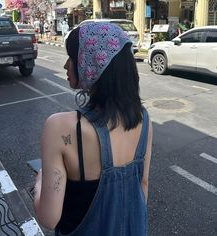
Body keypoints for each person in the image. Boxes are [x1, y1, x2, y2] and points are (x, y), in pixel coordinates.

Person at [34, 22, 153, 236]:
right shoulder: (143, 119)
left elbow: (48, 219)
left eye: (72, 57)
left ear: (92, 66)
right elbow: (142, 185)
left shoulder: (60, 128)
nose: (66, 65)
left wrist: (40, 182)